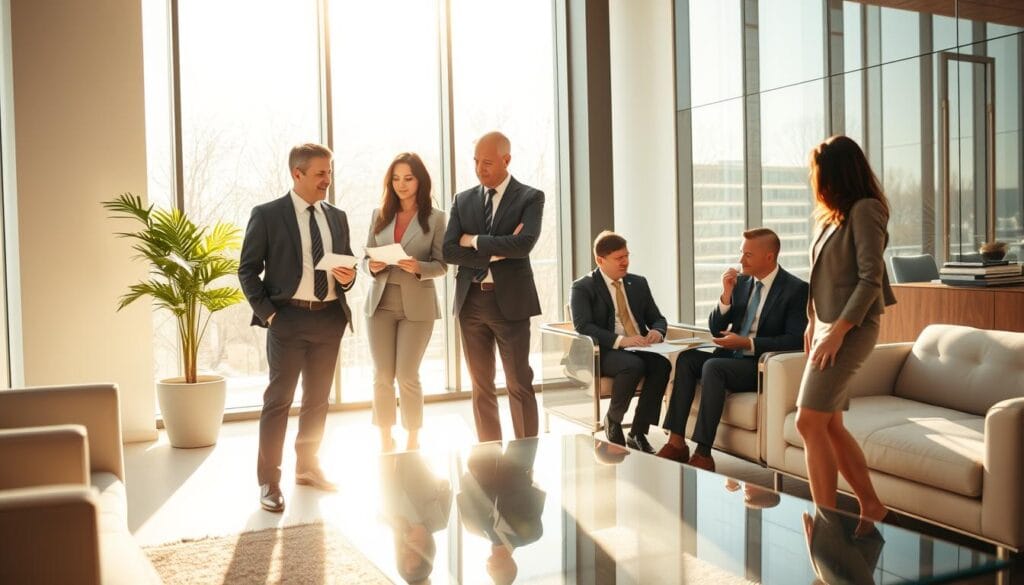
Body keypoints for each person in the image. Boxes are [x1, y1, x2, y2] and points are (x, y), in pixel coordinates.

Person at [238, 143, 356, 513]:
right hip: (287, 319)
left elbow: (347, 269)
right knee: (279, 401)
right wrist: (270, 315)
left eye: (330, 172)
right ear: (297, 173)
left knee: (318, 399)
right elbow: (247, 270)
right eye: (321, 173)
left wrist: (349, 278)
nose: (327, 179)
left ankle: (307, 467)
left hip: (329, 318)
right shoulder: (268, 215)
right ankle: (269, 481)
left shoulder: (337, 217)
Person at [795, 135, 897, 535]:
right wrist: (812, 322)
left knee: (808, 422)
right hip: (827, 326)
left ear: (837, 173)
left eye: (818, 173)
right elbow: (820, 278)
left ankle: (826, 519)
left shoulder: (866, 210)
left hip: (852, 328)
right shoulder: (832, 216)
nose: (815, 181)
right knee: (830, 424)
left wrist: (837, 332)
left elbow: (870, 278)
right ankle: (872, 506)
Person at [657, 228, 808, 470]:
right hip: (731, 357)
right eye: (741, 253)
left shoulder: (796, 290)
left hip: (760, 365)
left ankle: (703, 452)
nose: (740, 260)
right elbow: (715, 329)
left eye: (748, 255)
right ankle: (676, 443)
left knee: (713, 367)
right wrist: (726, 295)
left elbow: (794, 340)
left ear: (769, 257)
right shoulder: (742, 283)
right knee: (687, 359)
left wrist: (747, 343)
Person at [443, 131, 544, 443]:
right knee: (481, 385)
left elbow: (523, 244)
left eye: (486, 162)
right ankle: (490, 454)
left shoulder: (530, 197)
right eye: (475, 161)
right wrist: (497, 250)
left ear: (506, 160)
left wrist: (473, 240)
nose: (479, 168)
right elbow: (448, 251)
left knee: (518, 382)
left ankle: (526, 454)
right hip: (470, 302)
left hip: (510, 304)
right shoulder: (463, 200)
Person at [364, 153, 447, 452]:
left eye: (408, 178)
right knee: (382, 376)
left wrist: (418, 267)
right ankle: (385, 438)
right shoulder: (379, 214)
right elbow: (366, 257)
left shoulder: (436, 218)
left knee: (407, 375)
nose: (401, 184)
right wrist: (371, 266)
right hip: (380, 304)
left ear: (420, 181)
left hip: (417, 307)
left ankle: (412, 438)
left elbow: (442, 265)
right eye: (396, 179)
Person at [569, 231, 672, 454]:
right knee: (633, 365)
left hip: (639, 345)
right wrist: (621, 341)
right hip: (603, 350)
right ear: (600, 260)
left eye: (626, 256)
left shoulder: (638, 283)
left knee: (662, 365)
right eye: (619, 258)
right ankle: (613, 420)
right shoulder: (582, 287)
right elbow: (583, 326)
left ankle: (638, 432)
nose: (625, 262)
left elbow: (657, 317)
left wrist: (657, 330)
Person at [457, 440, 546, 585]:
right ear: (492, 568)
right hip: (518, 463)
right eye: (493, 572)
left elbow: (465, 485)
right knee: (524, 429)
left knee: (487, 429)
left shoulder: (473, 528)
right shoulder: (532, 534)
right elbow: (535, 494)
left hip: (485, 462)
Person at [381, 451, 453, 584]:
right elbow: (445, 483)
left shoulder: (391, 516)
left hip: (398, 449)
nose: (406, 549)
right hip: (424, 450)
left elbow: (385, 463)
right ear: (427, 553)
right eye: (413, 554)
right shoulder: (440, 520)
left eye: (404, 556)